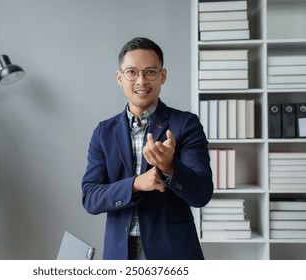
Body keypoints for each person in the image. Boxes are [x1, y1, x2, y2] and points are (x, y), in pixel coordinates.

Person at [82, 37, 213, 260]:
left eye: (150, 72)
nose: (141, 81)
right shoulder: (103, 132)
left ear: (163, 75)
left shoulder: (186, 124)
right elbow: (90, 198)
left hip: (173, 251)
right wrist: (135, 184)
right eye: (132, 72)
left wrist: (170, 166)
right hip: (119, 253)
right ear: (119, 77)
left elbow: (201, 195)